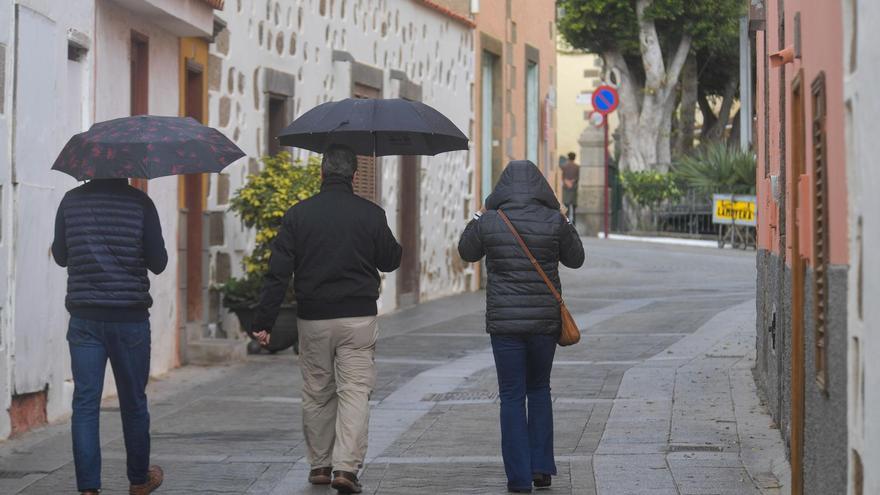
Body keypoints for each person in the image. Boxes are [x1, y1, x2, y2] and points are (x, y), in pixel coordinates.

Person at [250, 145, 402, 494]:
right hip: (358, 319)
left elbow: (278, 273)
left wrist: (264, 321)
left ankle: (320, 465)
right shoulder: (371, 214)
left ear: (321, 173)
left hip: (314, 318)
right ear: (353, 176)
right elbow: (390, 260)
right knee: (355, 392)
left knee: (317, 392)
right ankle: (345, 469)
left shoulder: (298, 215)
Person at [458, 160, 585, 493]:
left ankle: (518, 478)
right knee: (540, 389)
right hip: (544, 322)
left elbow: (466, 251)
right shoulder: (552, 220)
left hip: (505, 325)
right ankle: (541, 467)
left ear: (502, 188)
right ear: (541, 186)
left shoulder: (491, 221)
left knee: (512, 396)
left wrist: (479, 213)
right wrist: (564, 216)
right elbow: (576, 258)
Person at [52, 178, 168, 495]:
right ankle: (139, 480)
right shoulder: (141, 203)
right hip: (129, 319)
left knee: (86, 404)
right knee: (133, 402)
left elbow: (61, 256)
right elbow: (159, 262)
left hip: (84, 317)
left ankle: (89, 489)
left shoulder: (70, 201)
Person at [560, 152, 580, 226]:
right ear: (574, 158)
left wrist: (567, 182)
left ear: (568, 158)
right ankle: (574, 222)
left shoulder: (564, 166)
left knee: (566, 206)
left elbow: (563, 177)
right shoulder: (577, 167)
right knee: (574, 207)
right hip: (574, 188)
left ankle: (566, 222)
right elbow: (578, 177)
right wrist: (572, 182)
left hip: (566, 188)